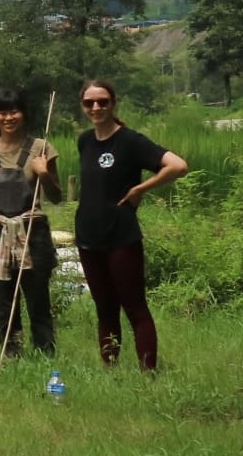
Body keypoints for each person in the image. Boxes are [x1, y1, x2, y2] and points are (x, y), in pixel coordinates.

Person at [75, 79, 187, 371]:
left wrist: (141, 189)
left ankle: (148, 373)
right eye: (89, 103)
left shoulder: (130, 141)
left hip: (121, 237)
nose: (96, 107)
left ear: (114, 103)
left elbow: (178, 165)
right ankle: (110, 370)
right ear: (83, 106)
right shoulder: (84, 141)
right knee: (104, 308)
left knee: (135, 308)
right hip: (88, 237)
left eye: (103, 102)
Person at [0, 91, 62, 359]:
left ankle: (46, 356)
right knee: (5, 302)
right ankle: (11, 356)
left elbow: (57, 197)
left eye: (14, 111)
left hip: (32, 232)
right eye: (2, 112)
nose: (8, 117)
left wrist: (44, 173)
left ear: (24, 114)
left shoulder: (41, 148)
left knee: (38, 301)